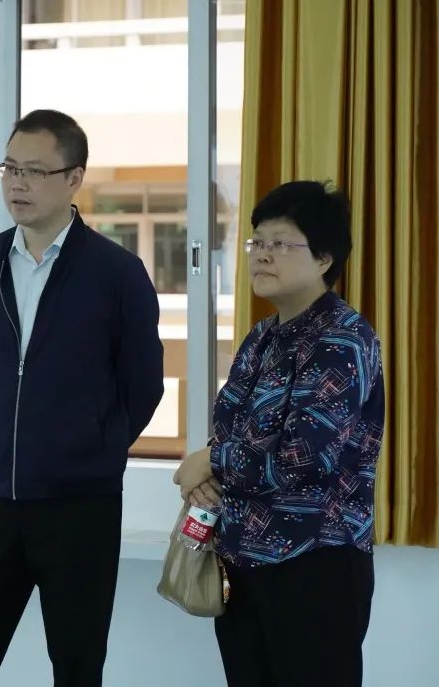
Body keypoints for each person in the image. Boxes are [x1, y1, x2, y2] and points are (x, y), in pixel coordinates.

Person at [0, 109, 165, 686]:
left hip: (79, 509)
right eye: (10, 168)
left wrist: (92, 449)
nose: (18, 183)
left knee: (77, 669)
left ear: (74, 178)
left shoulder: (117, 272)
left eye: (35, 171)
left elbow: (144, 384)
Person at [174, 180, 384, 687]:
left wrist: (211, 462)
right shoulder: (263, 336)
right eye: (257, 242)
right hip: (242, 560)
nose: (262, 255)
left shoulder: (342, 339)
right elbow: (230, 429)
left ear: (324, 258)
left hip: (313, 565)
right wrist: (208, 474)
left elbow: (301, 458)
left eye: (281, 244)